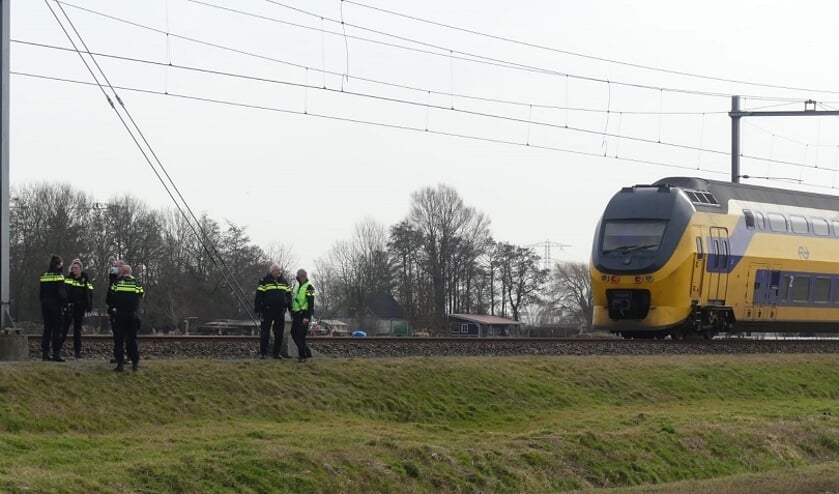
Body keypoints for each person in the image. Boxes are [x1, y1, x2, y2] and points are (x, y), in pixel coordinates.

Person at [108, 264, 144, 372]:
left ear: (122, 273)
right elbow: (141, 294)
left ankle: (120, 364)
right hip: (132, 315)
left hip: (120, 315)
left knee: (119, 340)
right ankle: (135, 364)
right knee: (132, 340)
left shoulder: (118, 283)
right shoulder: (137, 283)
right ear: (131, 273)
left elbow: (111, 294)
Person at [254, 263, 291, 359]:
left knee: (279, 334)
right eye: (278, 270)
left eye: (280, 270)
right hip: (267, 311)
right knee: (265, 332)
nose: (280, 272)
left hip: (280, 311)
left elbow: (289, 296)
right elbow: (259, 295)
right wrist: (258, 309)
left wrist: (288, 307)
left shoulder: (284, 282)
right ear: (272, 271)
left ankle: (276, 353)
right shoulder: (264, 281)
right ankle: (263, 353)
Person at [61, 259, 93, 359]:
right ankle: (57, 349)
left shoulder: (85, 280)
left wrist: (88, 306)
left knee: (77, 331)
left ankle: (77, 352)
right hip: (70, 307)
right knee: (64, 329)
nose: (74, 270)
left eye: (76, 268)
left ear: (80, 269)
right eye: (73, 268)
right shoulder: (68, 279)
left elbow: (90, 294)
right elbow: (64, 293)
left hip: (80, 308)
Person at [39, 255, 67, 362]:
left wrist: (43, 302)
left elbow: (41, 293)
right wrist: (65, 304)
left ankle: (45, 353)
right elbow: (62, 293)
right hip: (56, 306)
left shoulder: (44, 275)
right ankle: (56, 353)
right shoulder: (59, 276)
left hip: (45, 305)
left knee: (47, 329)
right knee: (56, 330)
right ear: (59, 264)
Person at [290, 268, 315, 362]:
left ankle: (302, 356)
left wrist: (307, 317)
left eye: (298, 276)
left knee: (300, 336)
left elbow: (311, 303)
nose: (297, 278)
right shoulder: (298, 287)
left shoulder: (309, 287)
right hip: (297, 314)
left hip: (303, 314)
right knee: (294, 333)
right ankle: (306, 352)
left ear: (302, 276)